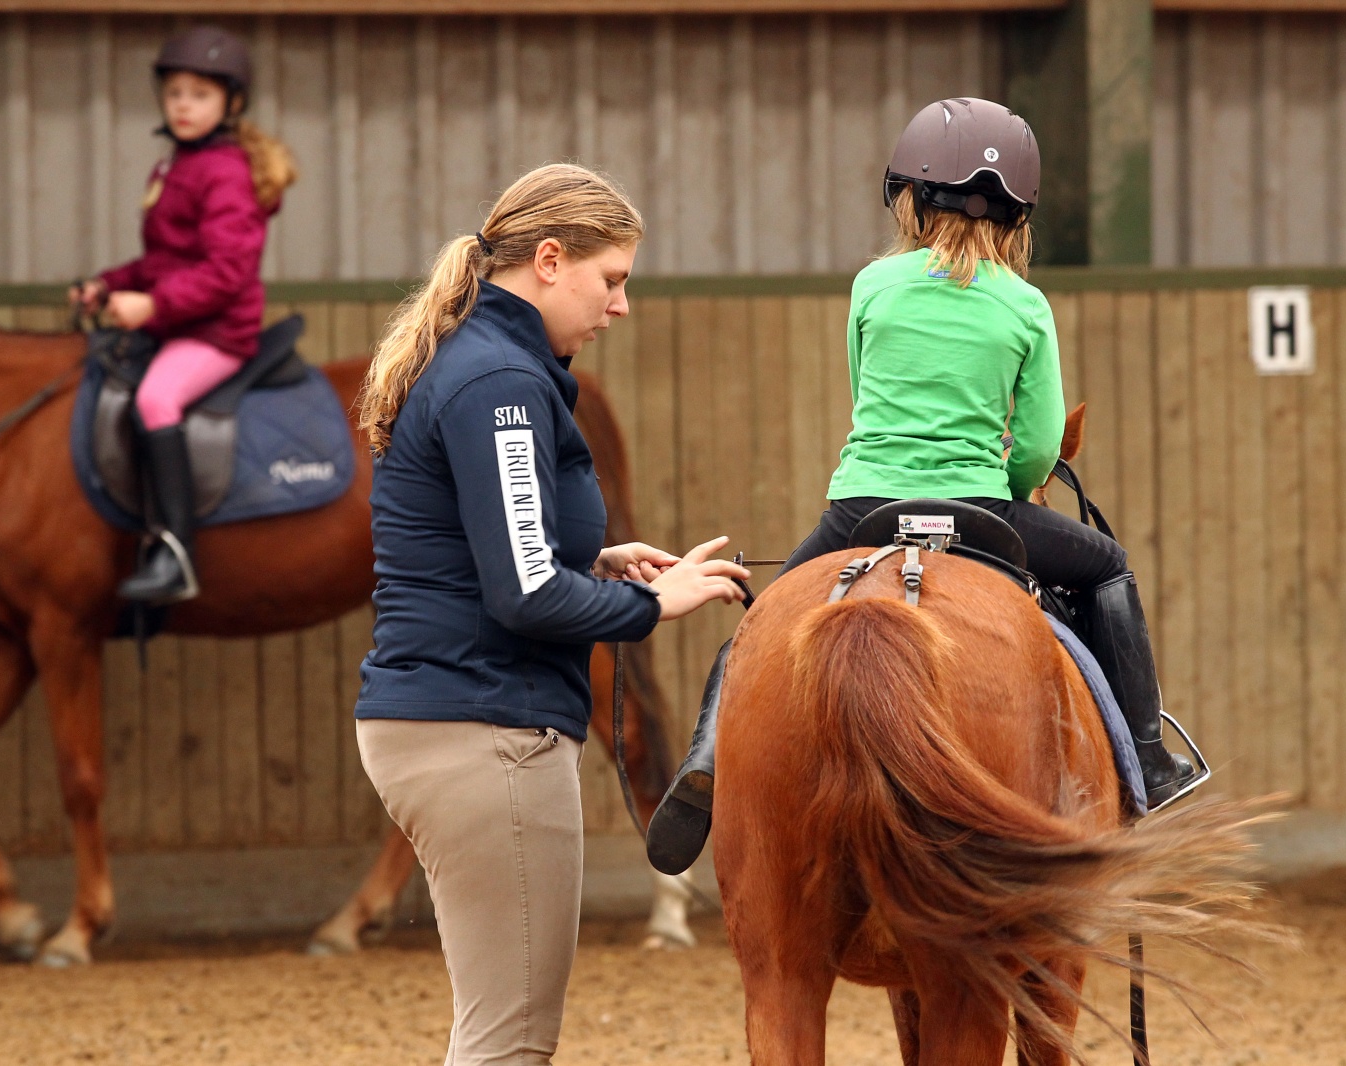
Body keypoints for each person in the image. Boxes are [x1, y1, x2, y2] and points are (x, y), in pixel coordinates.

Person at [646, 97, 1205, 876]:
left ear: (908, 199)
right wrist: (1007, 481)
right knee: (1107, 563)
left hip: (861, 511)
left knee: (765, 621)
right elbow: (1041, 442)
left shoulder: (873, 286)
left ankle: (707, 757)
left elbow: (863, 392)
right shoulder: (1026, 305)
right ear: (1019, 219)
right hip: (982, 513)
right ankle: (1148, 760)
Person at [353, 163, 748, 1066]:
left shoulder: (490, 365)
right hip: (486, 728)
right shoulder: (499, 383)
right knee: (510, 1046)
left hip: (457, 720)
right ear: (549, 259)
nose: (620, 306)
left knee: (495, 1038)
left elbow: (495, 546)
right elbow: (524, 593)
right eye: (611, 281)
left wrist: (597, 560)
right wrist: (651, 603)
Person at [70, 25, 297, 604]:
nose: (184, 105)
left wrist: (151, 305)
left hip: (218, 333)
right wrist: (108, 285)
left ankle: (176, 553)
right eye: (175, 94)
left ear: (230, 102)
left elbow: (227, 273)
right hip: (177, 324)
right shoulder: (176, 164)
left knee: (155, 400)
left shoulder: (224, 171)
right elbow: (162, 262)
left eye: (199, 94)